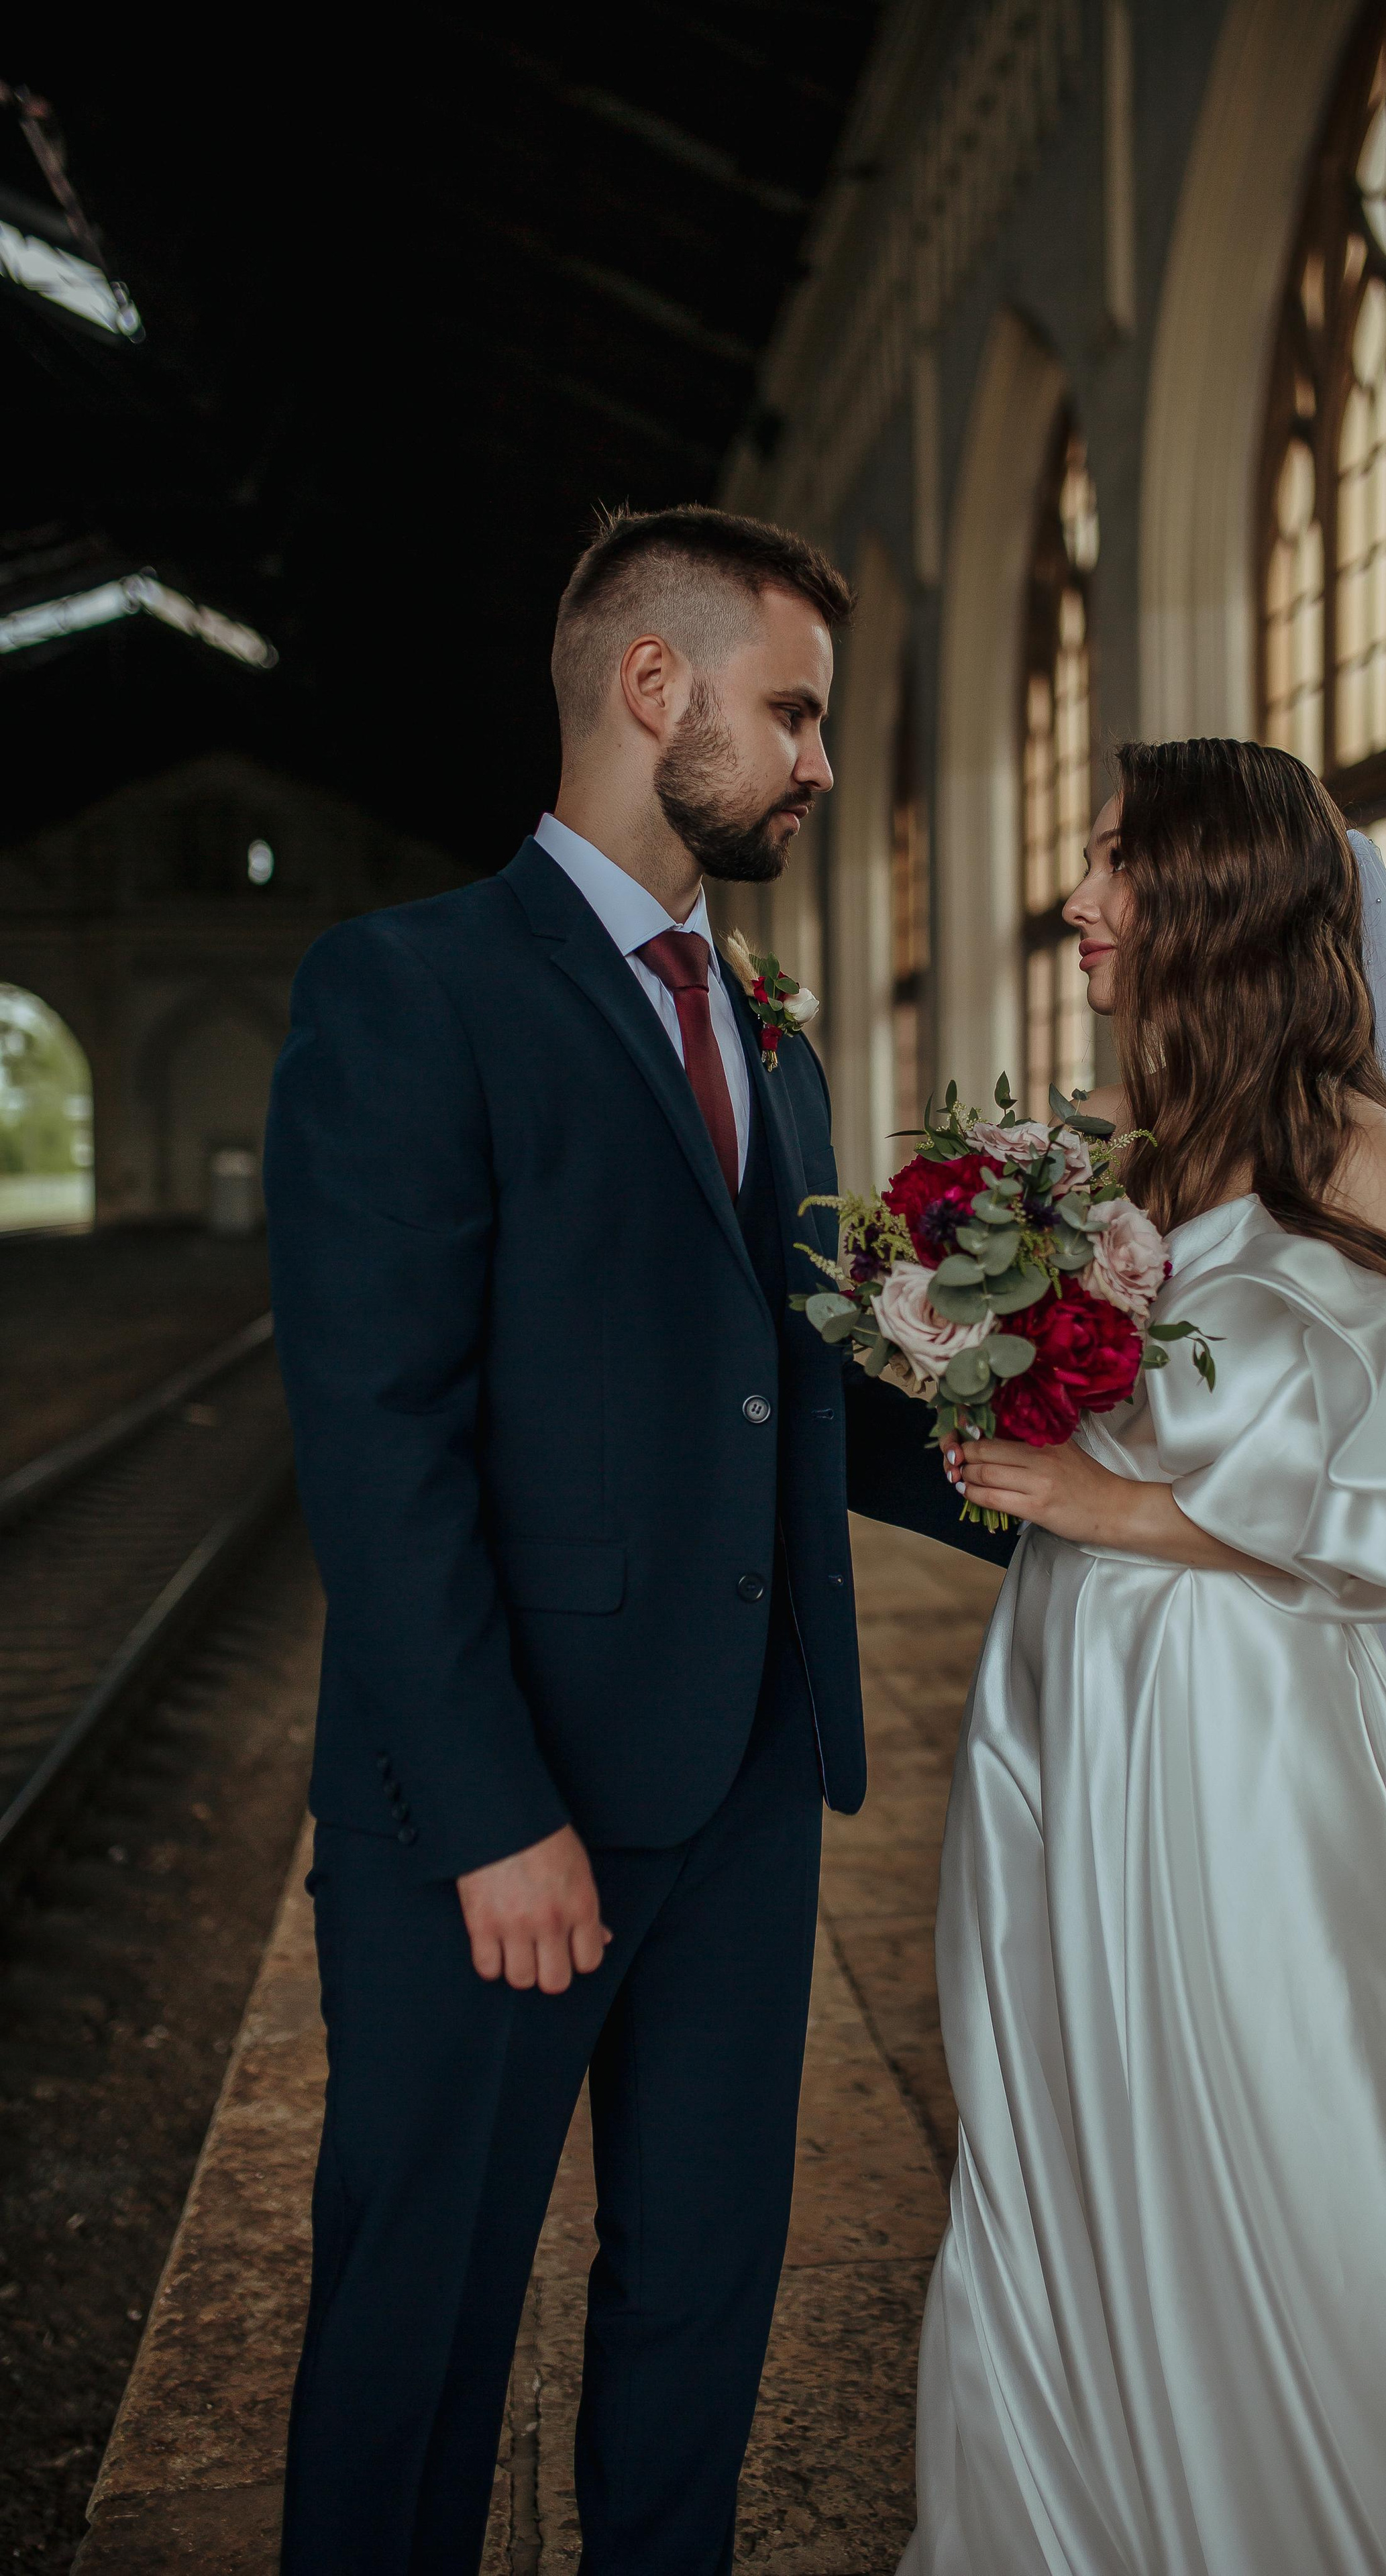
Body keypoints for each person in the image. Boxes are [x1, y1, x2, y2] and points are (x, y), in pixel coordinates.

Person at [264, 504, 999, 2576]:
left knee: (698, 2312)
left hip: (749, 1786)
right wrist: (496, 1816)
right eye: (795, 715)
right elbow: (381, 1442)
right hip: (498, 1825)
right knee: (418, 2335)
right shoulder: (407, 992)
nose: (819, 765)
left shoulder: (772, 1038)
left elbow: (794, 1386)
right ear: (650, 688)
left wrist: (1079, 1503)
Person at [904, 738, 1386, 2575]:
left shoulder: (1353, 1151)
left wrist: (1119, 1510)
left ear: (1216, 899)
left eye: (1114, 865)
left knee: (1272, 2138)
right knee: (1070, 2125)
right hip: (1077, 1704)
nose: (1078, 902)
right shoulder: (1148, 1147)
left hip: (1242, 1737)